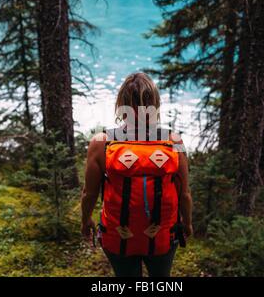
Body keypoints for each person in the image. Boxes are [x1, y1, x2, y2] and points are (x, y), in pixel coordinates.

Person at [81, 72, 193, 277]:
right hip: (162, 235)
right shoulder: (173, 141)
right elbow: (184, 192)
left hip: (117, 235)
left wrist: (85, 219)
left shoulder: (102, 142)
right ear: (156, 105)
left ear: (121, 104)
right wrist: (187, 223)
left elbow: (89, 192)